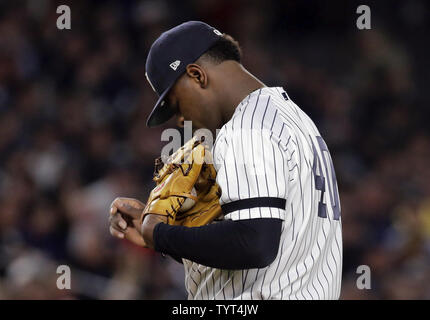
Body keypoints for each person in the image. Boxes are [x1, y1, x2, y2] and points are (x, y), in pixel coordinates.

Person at [109, 21, 342, 300]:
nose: (181, 120)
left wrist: (158, 234)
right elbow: (257, 250)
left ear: (197, 75)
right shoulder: (294, 118)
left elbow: (254, 242)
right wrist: (166, 238)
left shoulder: (246, 128)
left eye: (176, 104)